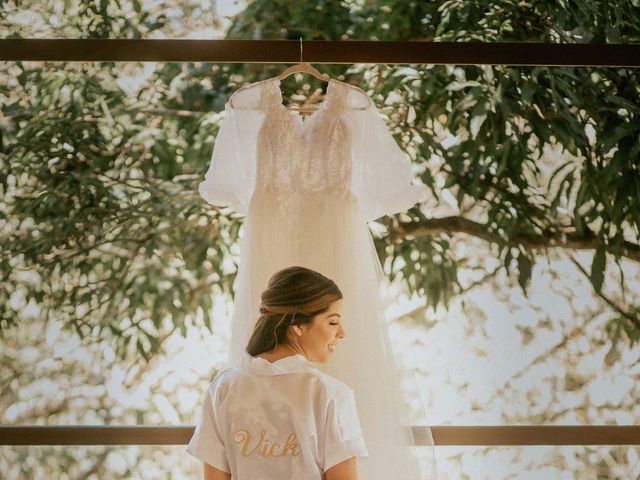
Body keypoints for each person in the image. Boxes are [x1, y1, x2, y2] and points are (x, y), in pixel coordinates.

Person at [186, 266, 369, 480]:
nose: (341, 333)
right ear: (297, 325)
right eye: (333, 322)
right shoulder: (330, 393)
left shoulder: (223, 388)